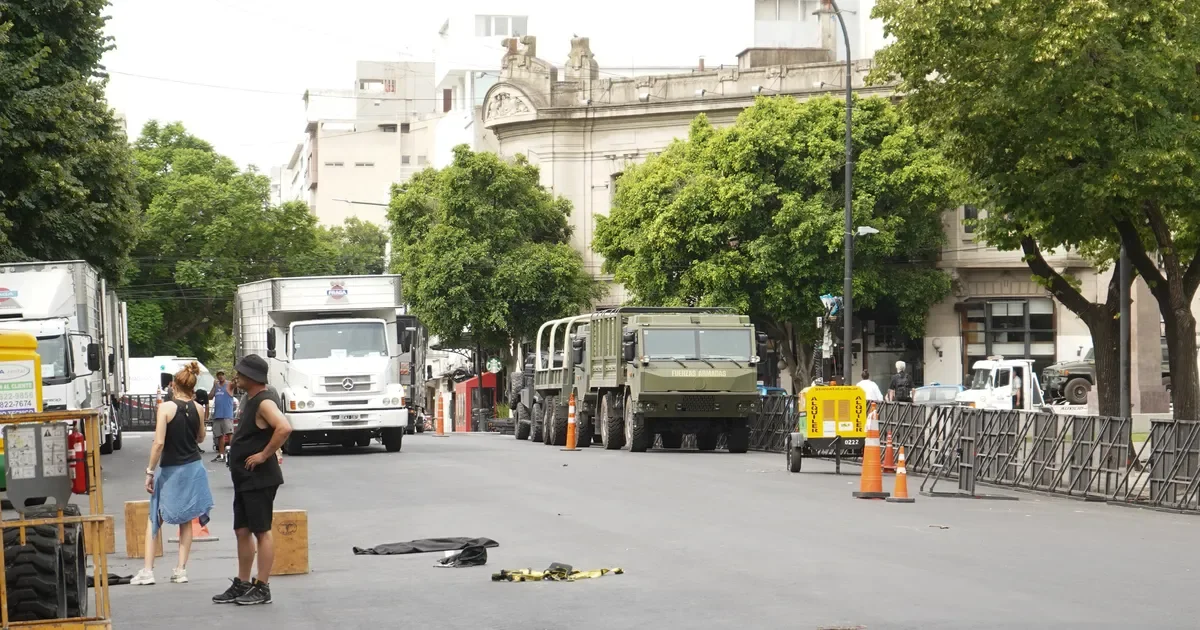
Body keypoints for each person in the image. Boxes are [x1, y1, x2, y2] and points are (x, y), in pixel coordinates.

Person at [213, 355, 292, 606]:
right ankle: (243, 582)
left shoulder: (264, 402)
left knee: (261, 531)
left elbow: (284, 428)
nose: (237, 377)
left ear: (252, 377)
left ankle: (262, 585)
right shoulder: (251, 399)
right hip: (245, 478)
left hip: (259, 477)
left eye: (241, 374)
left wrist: (263, 455)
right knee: (242, 530)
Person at [132, 362, 214, 586]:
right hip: (193, 468)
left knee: (154, 517)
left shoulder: (166, 408)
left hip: (170, 469)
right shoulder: (198, 408)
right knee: (186, 519)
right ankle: (180, 570)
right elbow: (200, 437)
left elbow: (159, 443)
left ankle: (148, 571)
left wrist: (150, 471)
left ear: (174, 385)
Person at [210, 371, 236, 463]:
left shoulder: (229, 384)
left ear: (225, 376)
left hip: (227, 414)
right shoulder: (216, 386)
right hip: (218, 415)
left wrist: (235, 378)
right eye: (218, 375)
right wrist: (214, 386)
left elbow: (234, 384)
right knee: (219, 435)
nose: (220, 376)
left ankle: (233, 454)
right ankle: (221, 455)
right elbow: (210, 397)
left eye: (222, 375)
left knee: (229, 434)